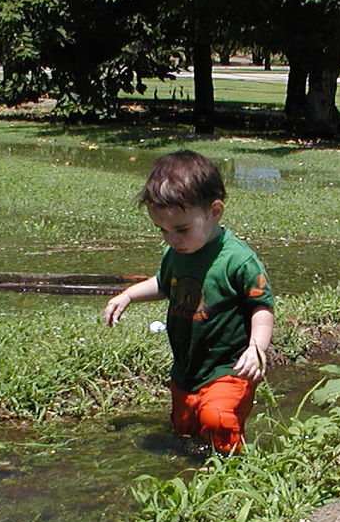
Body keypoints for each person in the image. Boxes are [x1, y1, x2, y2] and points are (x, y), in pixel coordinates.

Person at [105, 150, 274, 454]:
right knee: (185, 428)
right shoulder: (178, 254)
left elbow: (261, 306)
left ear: (214, 211)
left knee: (218, 420)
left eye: (181, 229)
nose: (172, 239)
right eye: (163, 231)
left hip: (230, 365)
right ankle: (192, 469)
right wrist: (128, 295)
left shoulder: (237, 260)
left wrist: (257, 349)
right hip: (188, 366)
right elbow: (163, 283)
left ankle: (235, 472)